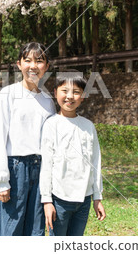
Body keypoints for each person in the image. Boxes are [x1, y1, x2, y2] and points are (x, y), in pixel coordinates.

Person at [0, 42, 56, 236]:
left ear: (47, 66)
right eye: (27, 60)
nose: (33, 66)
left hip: (41, 168)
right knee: (11, 229)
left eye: (39, 61)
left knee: (35, 228)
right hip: (16, 169)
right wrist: (2, 181)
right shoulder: (8, 94)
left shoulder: (47, 99)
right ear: (19, 64)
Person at [39, 71, 106, 236]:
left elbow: (95, 162)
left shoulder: (88, 126)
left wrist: (97, 197)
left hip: (84, 200)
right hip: (60, 199)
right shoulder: (51, 125)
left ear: (82, 97)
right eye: (65, 91)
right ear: (55, 93)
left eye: (76, 92)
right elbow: (46, 165)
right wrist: (47, 201)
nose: (70, 96)